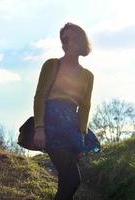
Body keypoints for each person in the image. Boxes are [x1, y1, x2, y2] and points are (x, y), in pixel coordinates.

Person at [33, 22, 94, 200]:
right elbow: (40, 97)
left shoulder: (88, 76)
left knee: (66, 179)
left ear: (81, 41)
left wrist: (81, 137)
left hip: (71, 128)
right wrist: (39, 128)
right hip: (51, 124)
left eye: (72, 38)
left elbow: (85, 106)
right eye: (64, 39)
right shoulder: (52, 65)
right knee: (74, 179)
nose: (68, 42)